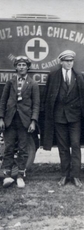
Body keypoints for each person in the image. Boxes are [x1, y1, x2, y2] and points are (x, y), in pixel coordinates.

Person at [43, 50, 84, 188]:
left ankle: (75, 176)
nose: (69, 63)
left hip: (75, 118)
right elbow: (47, 96)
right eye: (66, 61)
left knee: (75, 145)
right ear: (61, 62)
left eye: (71, 61)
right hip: (58, 117)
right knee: (63, 148)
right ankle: (64, 175)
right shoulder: (53, 76)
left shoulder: (79, 76)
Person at [0, 56, 40, 188]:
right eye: (19, 65)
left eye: (24, 65)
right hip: (9, 120)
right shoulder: (10, 82)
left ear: (27, 67)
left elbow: (36, 104)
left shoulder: (33, 84)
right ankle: (6, 175)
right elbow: (3, 101)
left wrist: (33, 121)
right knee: (9, 147)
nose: (21, 67)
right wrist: (1, 118)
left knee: (23, 149)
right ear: (16, 67)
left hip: (25, 121)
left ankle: (20, 176)